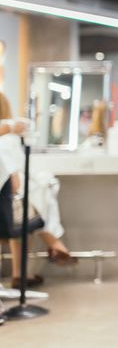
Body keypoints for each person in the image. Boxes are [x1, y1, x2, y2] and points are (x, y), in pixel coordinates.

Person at [0, 92, 76, 290]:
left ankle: (25, 269)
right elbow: (14, 183)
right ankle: (54, 242)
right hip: (8, 209)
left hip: (8, 208)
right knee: (36, 204)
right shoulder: (6, 140)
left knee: (35, 201)